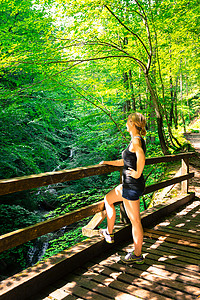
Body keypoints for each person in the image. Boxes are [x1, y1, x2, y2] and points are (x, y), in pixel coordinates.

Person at [99, 112, 146, 264]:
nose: (125, 123)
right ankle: (109, 232)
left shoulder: (136, 141)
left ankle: (137, 255)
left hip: (131, 186)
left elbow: (140, 156)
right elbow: (123, 162)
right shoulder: (135, 140)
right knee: (108, 198)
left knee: (136, 222)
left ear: (132, 123)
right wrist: (107, 162)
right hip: (129, 185)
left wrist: (138, 173)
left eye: (127, 121)